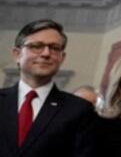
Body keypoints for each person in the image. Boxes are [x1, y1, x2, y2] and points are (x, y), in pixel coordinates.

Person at [0, 19, 95, 157]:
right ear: (17, 54)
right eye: (36, 46)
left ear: (62, 58)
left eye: (55, 48)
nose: (46, 53)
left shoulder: (79, 110)